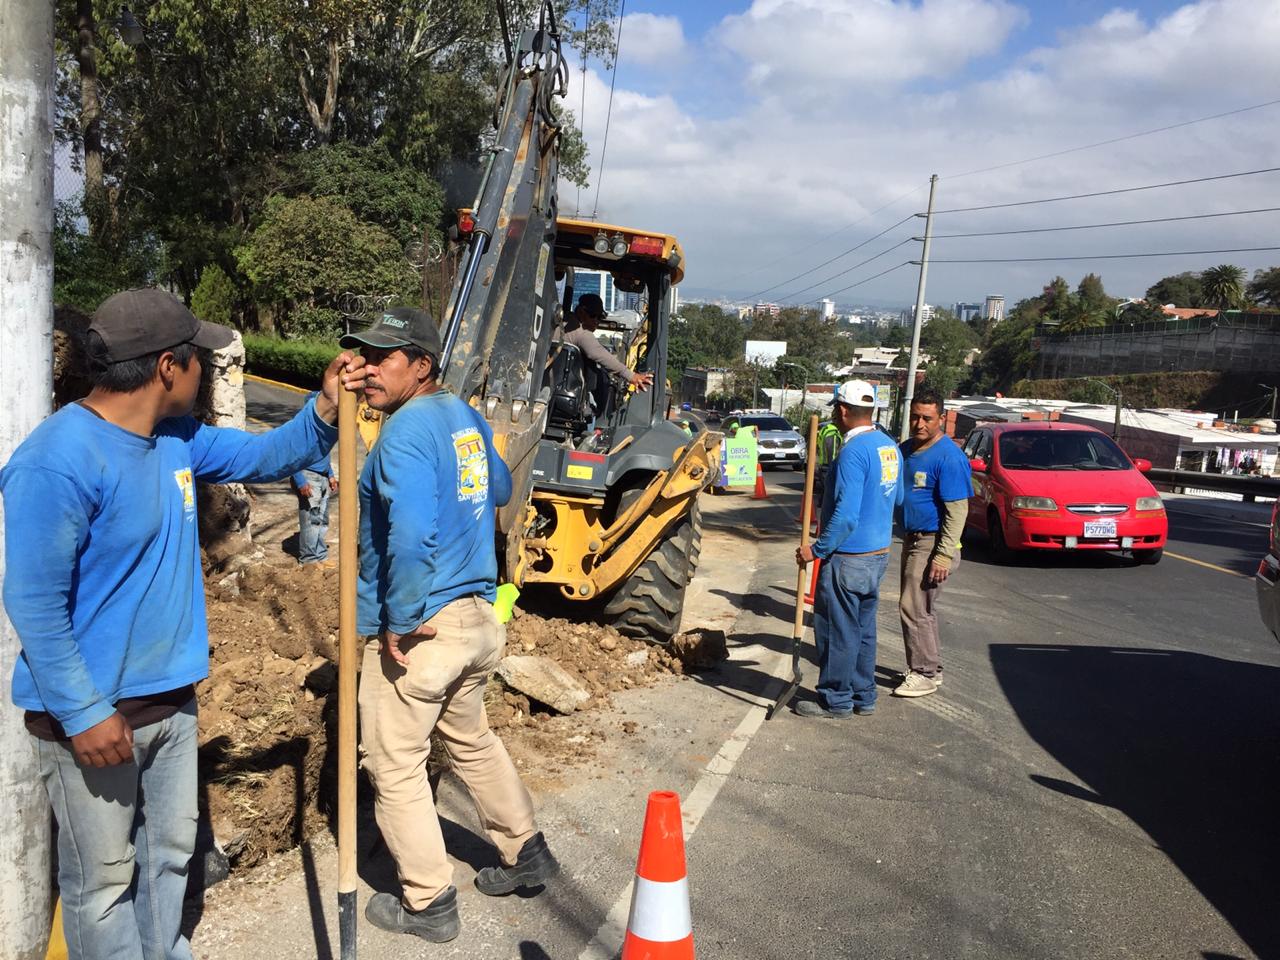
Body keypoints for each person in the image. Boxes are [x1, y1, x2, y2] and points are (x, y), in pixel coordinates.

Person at [0, 288, 365, 960]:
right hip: (95, 720)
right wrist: (82, 713)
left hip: (170, 702)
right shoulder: (57, 460)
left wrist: (323, 409)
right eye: (199, 358)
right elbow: (33, 601)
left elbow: (264, 458)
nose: (205, 370)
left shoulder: (175, 440)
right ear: (169, 367)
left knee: (169, 858)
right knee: (102, 884)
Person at [344, 306, 558, 944]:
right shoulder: (463, 418)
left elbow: (411, 535)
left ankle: (428, 899)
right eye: (363, 355)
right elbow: (495, 489)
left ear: (421, 365)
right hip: (478, 621)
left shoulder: (405, 432)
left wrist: (400, 620)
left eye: (384, 358)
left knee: (394, 759)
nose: (370, 369)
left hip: (427, 628)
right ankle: (525, 850)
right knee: (471, 738)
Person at [795, 380, 903, 718]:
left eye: (835, 410)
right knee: (863, 630)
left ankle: (835, 699)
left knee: (836, 630)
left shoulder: (853, 452)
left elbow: (846, 515)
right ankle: (863, 695)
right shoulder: (888, 446)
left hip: (848, 557)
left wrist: (817, 549)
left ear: (843, 410)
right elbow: (896, 498)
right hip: (877, 555)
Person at [894, 390, 971, 698]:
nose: (919, 423)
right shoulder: (907, 449)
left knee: (912, 607)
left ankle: (923, 672)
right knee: (922, 608)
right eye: (915, 416)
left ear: (942, 418)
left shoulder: (949, 457)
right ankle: (930, 667)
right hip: (912, 539)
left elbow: (957, 510)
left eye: (927, 418)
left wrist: (942, 555)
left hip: (933, 542)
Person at [563, 292, 654, 393]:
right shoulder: (580, 331)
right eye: (593, 316)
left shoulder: (563, 320)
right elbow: (599, 354)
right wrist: (631, 375)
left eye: (600, 317)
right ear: (581, 312)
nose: (596, 321)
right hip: (567, 388)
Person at [291, 442, 337, 565]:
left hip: (323, 476)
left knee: (322, 520)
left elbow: (324, 452)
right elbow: (292, 457)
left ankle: (320, 555)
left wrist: (330, 475)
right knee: (311, 521)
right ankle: (309, 560)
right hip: (308, 477)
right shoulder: (303, 428)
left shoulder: (323, 428)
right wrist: (300, 481)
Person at [814, 417, 843, 507]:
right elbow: (832, 451)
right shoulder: (833, 433)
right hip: (828, 465)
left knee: (825, 489)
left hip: (823, 464)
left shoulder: (826, 428)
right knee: (829, 489)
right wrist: (833, 466)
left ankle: (821, 503)